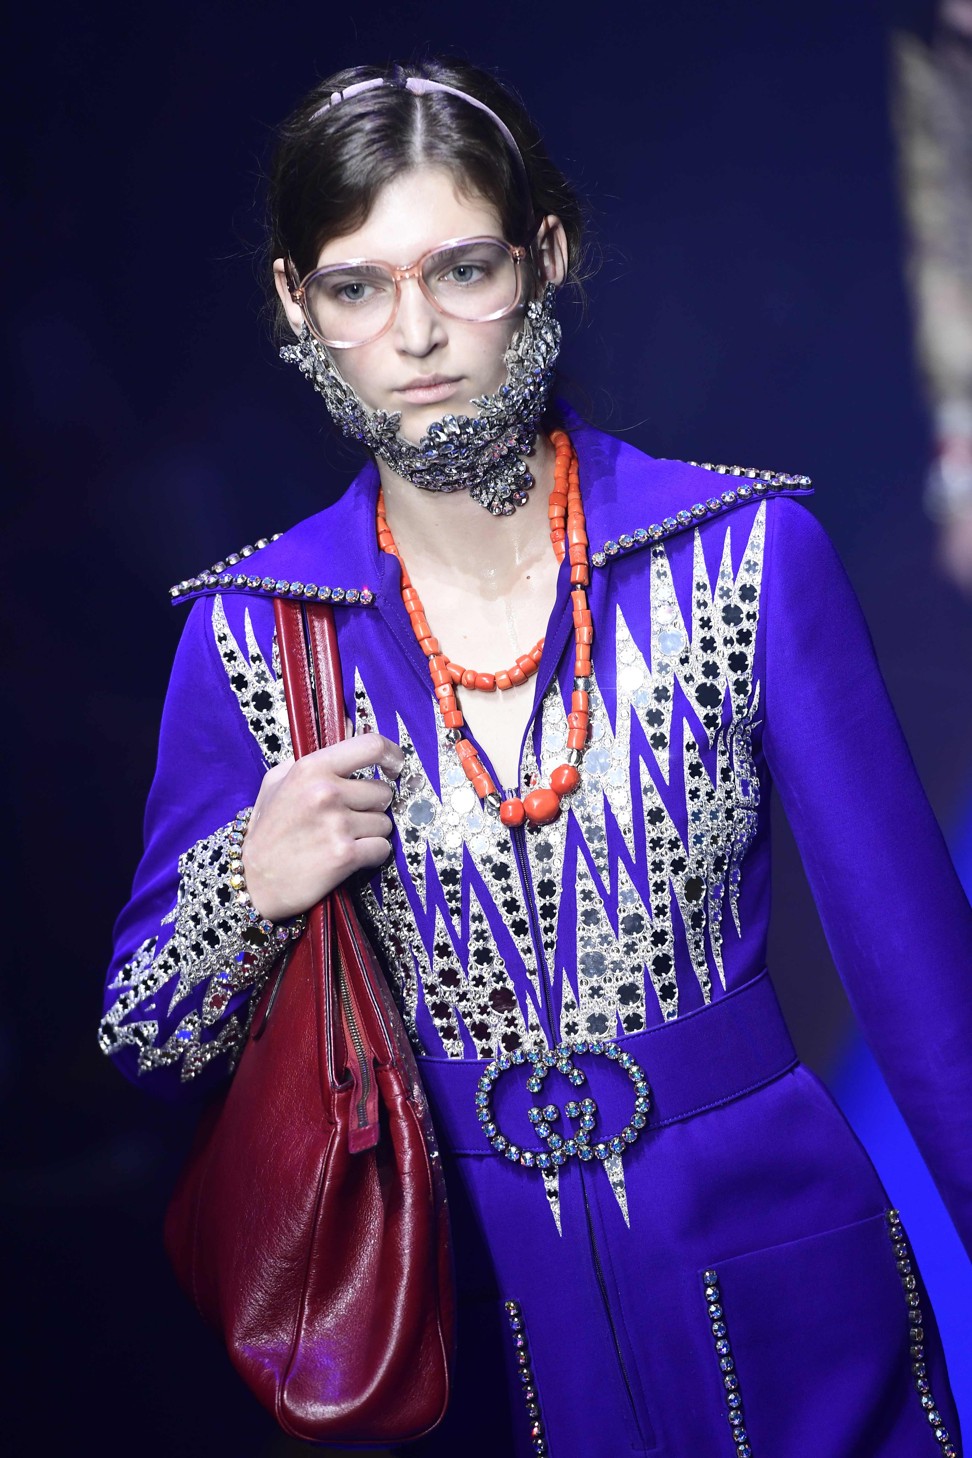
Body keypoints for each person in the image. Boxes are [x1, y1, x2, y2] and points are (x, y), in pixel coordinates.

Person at [99, 59, 972, 1457]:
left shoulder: (741, 558)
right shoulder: (255, 639)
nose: (418, 332)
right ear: (293, 305)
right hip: (479, 1331)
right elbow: (144, 1037)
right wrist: (245, 890)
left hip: (788, 1286)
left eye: (463, 268)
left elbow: (933, 1000)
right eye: (357, 286)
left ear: (544, 258)